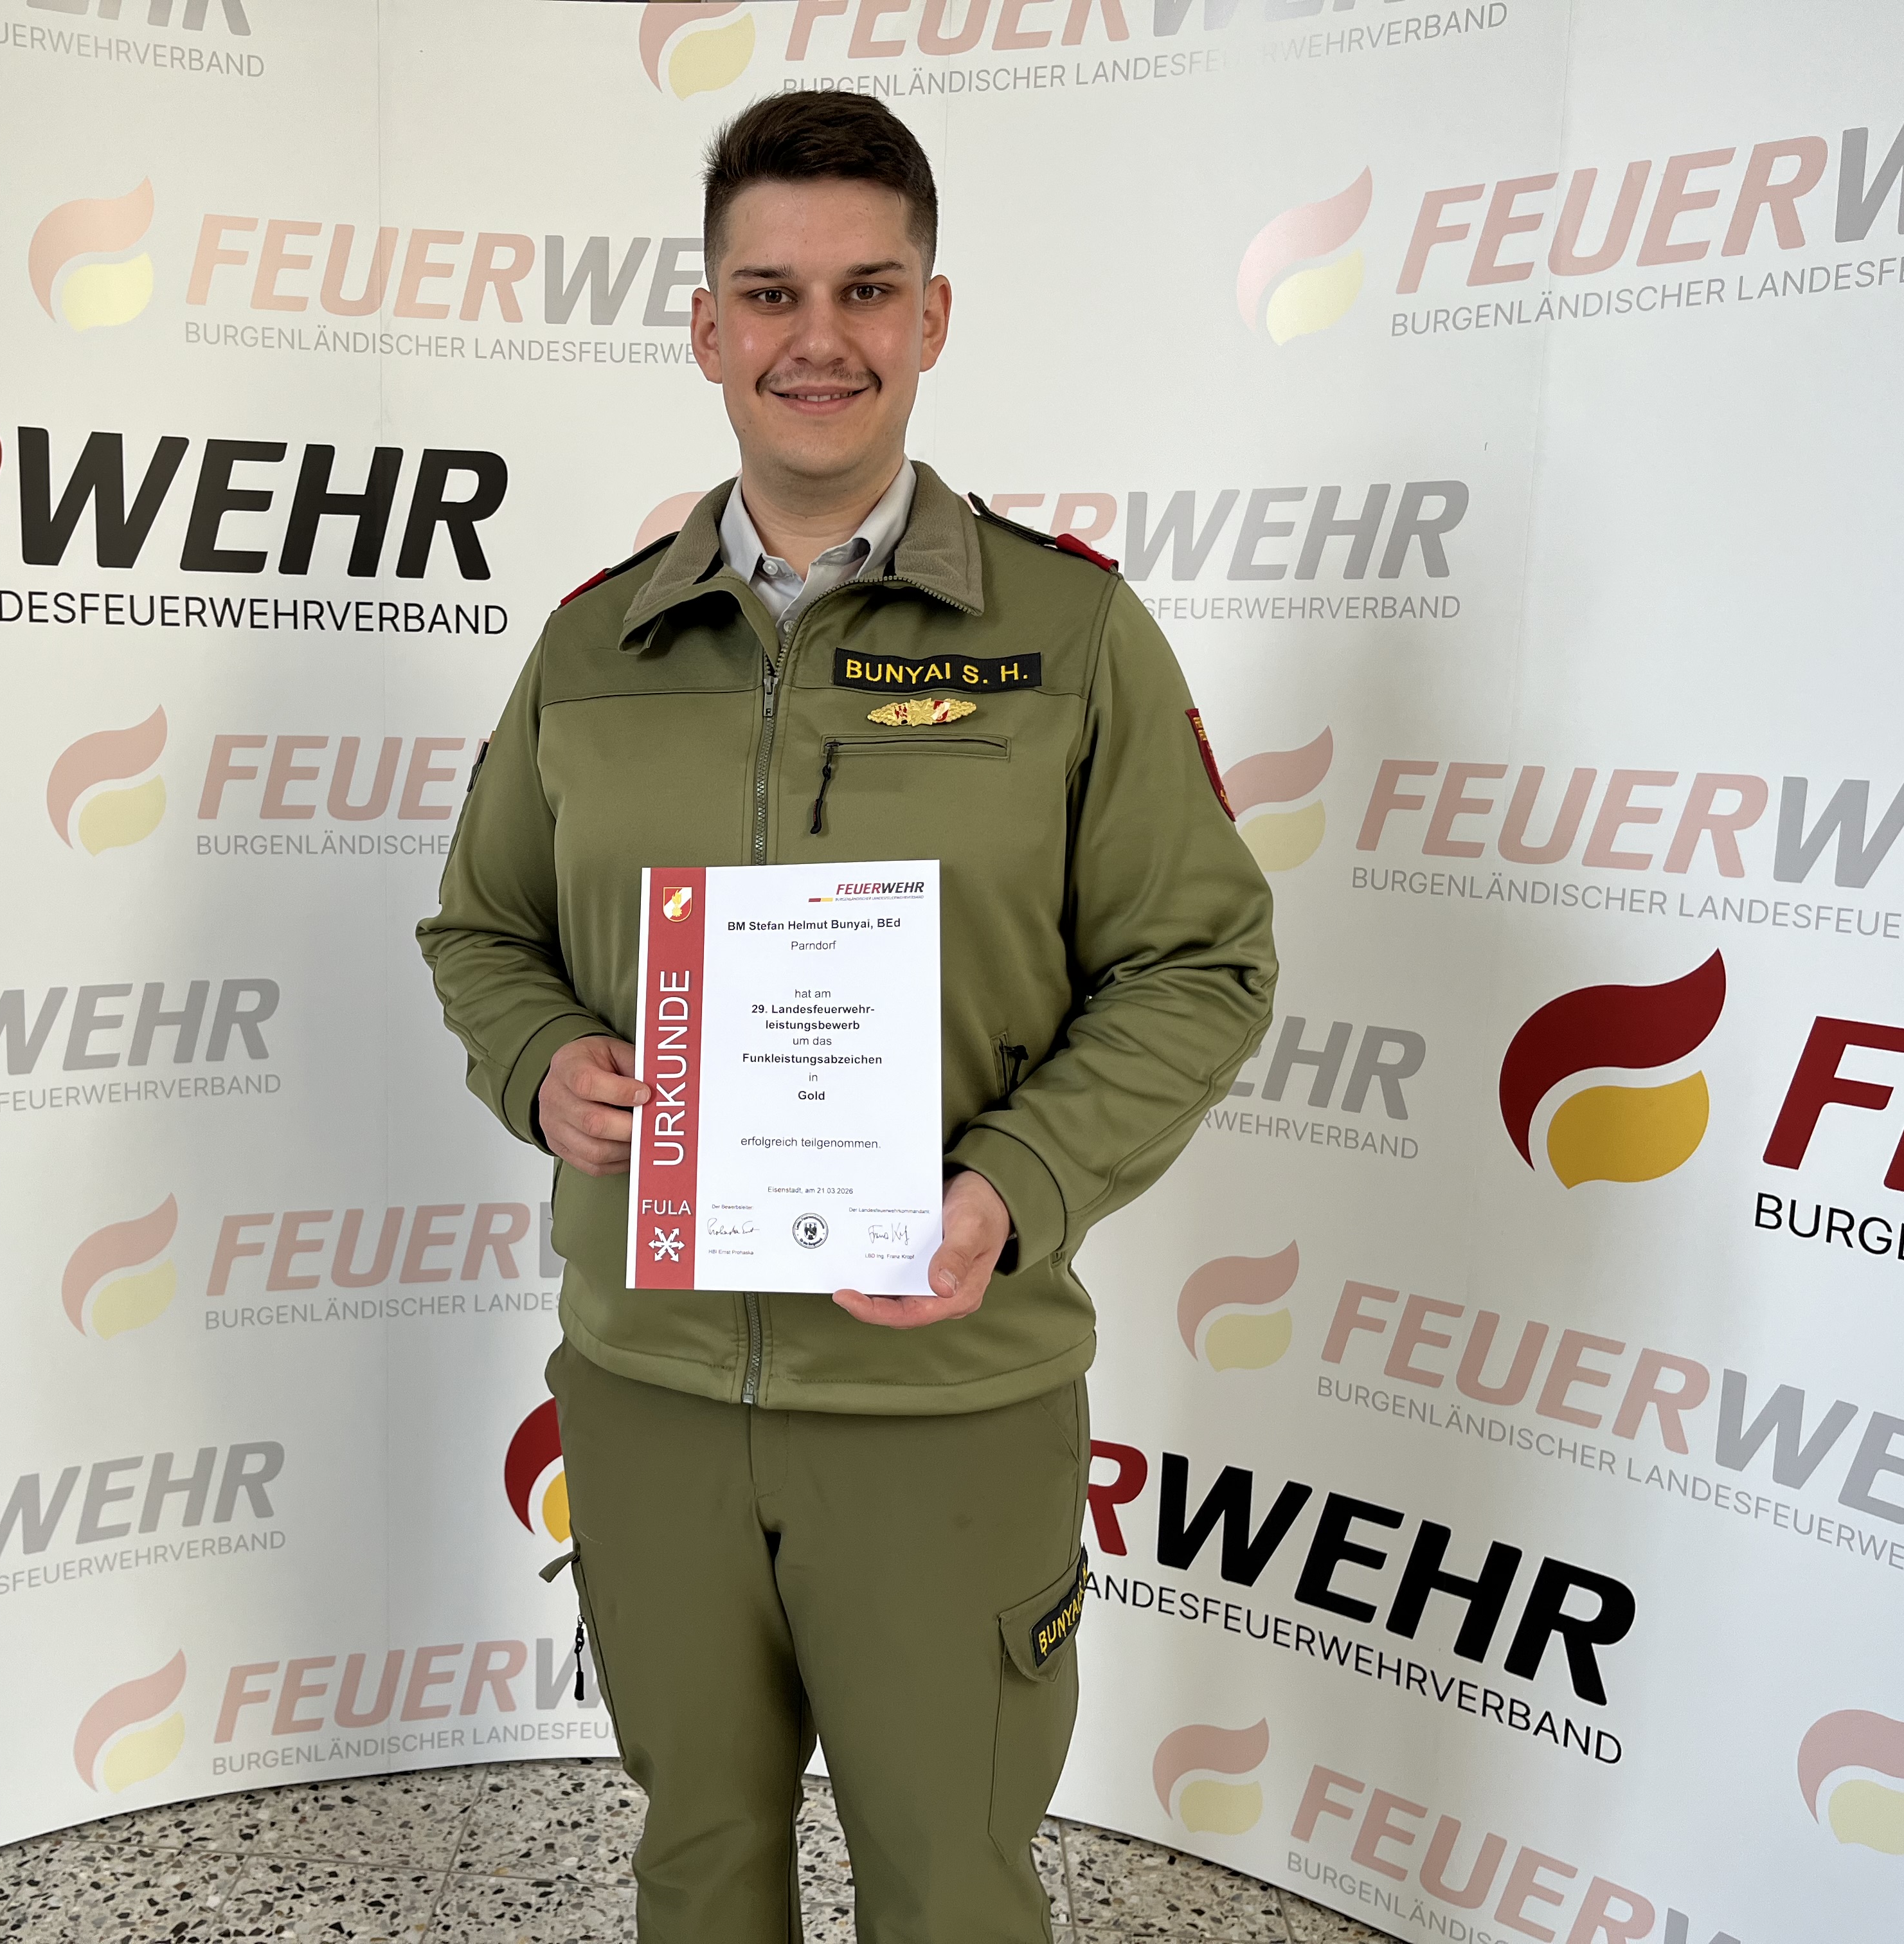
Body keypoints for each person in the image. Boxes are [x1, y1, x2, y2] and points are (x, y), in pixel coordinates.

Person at [416, 90, 1276, 1944]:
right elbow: (483, 929)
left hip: (939, 1395)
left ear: (933, 316)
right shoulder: (591, 646)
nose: (821, 339)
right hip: (649, 1385)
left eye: (868, 289)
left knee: (951, 1887)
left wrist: (1010, 1189)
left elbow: (1201, 962)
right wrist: (540, 1064)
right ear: (706, 326)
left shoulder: (1072, 636)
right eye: (772, 293)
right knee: (697, 1863)